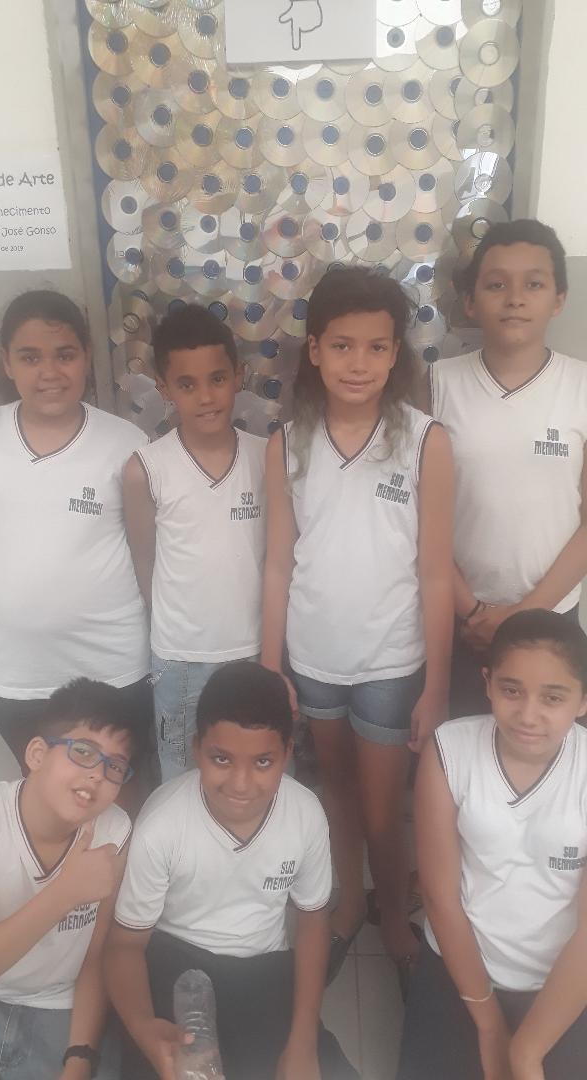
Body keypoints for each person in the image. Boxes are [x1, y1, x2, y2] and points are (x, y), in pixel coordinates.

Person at [261, 266, 454, 984]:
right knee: (336, 797)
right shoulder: (288, 444)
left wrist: (437, 686)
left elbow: (436, 573)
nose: (359, 363)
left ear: (396, 353)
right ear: (314, 350)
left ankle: (394, 918)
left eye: (377, 347)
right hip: (314, 660)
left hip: (389, 664)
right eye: (342, 345)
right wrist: (270, 666)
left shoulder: (426, 442)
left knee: (381, 811)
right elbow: (278, 564)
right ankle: (348, 905)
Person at [106, 662, 358, 1080]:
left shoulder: (305, 814)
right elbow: (125, 945)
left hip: (263, 967)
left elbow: (313, 921)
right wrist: (144, 1028)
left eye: (263, 761)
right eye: (221, 758)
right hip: (174, 961)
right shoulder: (162, 825)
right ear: (196, 749)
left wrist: (303, 1042)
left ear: (287, 755)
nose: (240, 784)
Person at [397, 609, 587, 1080]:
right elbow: (440, 898)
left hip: (564, 980)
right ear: (487, 683)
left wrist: (527, 1052)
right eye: (511, 690)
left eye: (553, 697)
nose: (528, 715)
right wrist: (487, 1023)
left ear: (582, 700)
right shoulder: (450, 749)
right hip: (461, 966)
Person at [0, 290, 151, 767]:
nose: (49, 372)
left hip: (110, 667)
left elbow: (149, 556)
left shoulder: (126, 444)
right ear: (7, 362)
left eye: (64, 354)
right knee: (43, 795)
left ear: (87, 357)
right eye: (30, 357)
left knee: (116, 789)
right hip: (13, 670)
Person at [425, 220, 587, 718]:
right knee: (459, 746)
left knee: (543, 745)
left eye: (534, 284)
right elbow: (419, 514)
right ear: (470, 301)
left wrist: (525, 612)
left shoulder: (581, 387)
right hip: (460, 620)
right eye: (496, 284)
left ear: (559, 299)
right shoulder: (438, 385)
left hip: (553, 618)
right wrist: (472, 610)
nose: (515, 298)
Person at [123, 303, 266, 780]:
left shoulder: (267, 459)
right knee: (182, 781)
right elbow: (145, 565)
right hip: (181, 659)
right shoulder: (146, 469)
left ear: (239, 376)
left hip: (254, 650)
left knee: (251, 780)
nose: (205, 397)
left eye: (217, 379)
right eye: (187, 384)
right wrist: (181, 630)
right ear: (164, 388)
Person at [0, 677, 135, 1080]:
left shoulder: (114, 832)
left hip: (62, 1010)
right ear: (36, 754)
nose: (98, 774)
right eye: (83, 751)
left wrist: (79, 1059)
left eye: (115, 766)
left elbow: (96, 958)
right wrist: (65, 893)